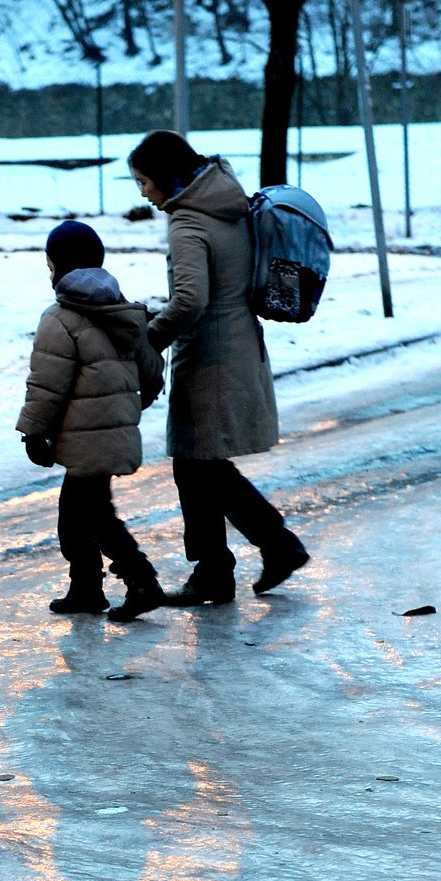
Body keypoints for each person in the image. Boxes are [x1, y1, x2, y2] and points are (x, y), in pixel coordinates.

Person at [128, 130, 309, 604]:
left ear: (167, 178)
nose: (144, 193)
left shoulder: (188, 223)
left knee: (198, 464)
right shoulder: (228, 204)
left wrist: (149, 341)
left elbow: (190, 301)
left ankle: (255, 552)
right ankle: (230, 563)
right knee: (199, 465)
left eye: (145, 182)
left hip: (209, 358)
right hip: (239, 345)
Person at [15, 220, 168, 622]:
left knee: (94, 515)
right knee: (77, 511)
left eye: (50, 265)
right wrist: (132, 406)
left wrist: (34, 431)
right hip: (111, 431)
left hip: (85, 438)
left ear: (58, 268)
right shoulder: (123, 310)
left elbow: (48, 385)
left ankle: (141, 581)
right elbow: (152, 368)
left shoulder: (60, 318)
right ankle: (86, 587)